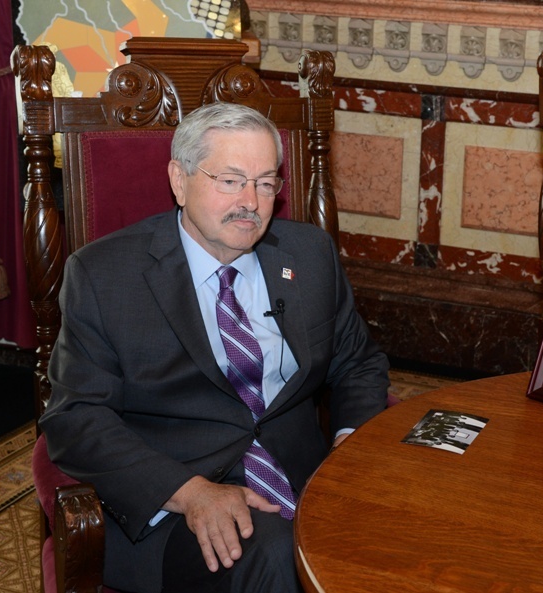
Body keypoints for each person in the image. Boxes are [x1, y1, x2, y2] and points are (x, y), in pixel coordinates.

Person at [39, 103, 390, 593]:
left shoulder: (309, 254)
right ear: (179, 181)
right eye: (230, 180)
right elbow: (75, 418)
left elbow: (357, 363)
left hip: (307, 479)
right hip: (181, 507)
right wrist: (188, 493)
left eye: (266, 183)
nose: (251, 201)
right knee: (277, 559)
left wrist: (351, 440)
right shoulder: (103, 275)